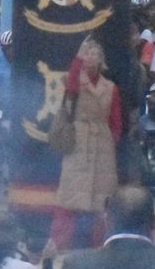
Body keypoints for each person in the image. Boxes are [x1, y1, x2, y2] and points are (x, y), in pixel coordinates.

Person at [48, 37, 122, 250]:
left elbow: (115, 119)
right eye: (87, 53)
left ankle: (101, 244)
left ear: (101, 59)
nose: (90, 57)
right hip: (79, 140)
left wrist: (112, 138)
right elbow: (71, 86)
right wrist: (77, 59)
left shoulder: (111, 87)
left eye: (94, 54)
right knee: (70, 197)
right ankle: (59, 243)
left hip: (103, 144)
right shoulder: (75, 80)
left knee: (102, 201)